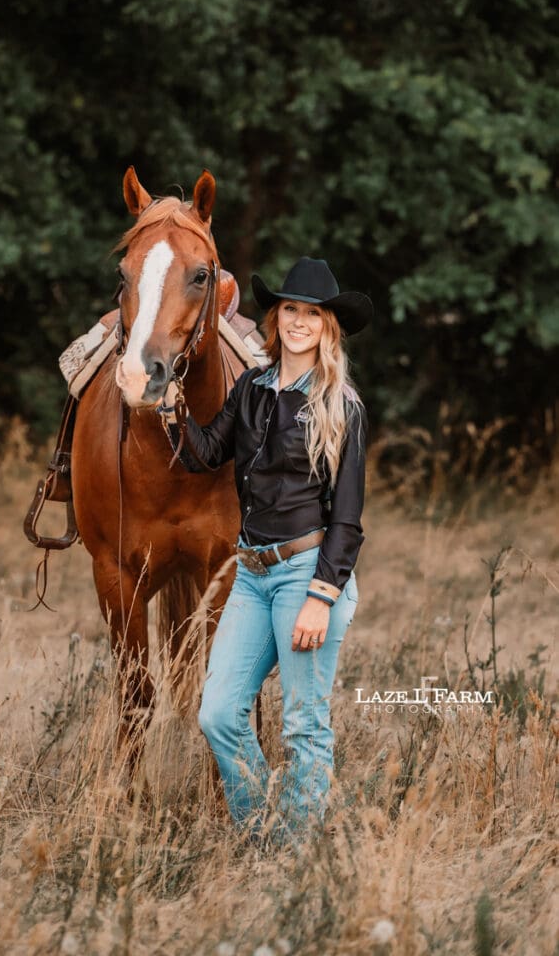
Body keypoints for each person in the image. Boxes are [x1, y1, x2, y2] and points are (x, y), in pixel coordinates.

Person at [155, 256, 373, 843]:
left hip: (307, 572)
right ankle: (260, 831)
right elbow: (206, 453)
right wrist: (172, 409)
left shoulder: (340, 403)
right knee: (219, 713)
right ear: (276, 318)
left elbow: (348, 521)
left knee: (304, 723)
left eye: (313, 313)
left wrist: (320, 599)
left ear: (328, 326)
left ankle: (292, 853)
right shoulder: (251, 387)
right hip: (251, 573)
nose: (300, 321)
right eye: (291, 310)